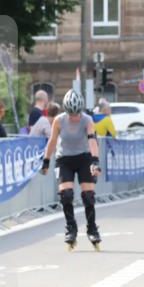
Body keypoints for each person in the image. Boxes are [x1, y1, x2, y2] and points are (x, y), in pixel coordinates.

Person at [40, 89, 101, 249]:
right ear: (66, 111)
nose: (74, 118)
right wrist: (46, 160)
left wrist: (95, 161)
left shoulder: (87, 120)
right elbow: (52, 141)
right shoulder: (59, 121)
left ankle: (92, 228)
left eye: (76, 114)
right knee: (66, 195)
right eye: (71, 114)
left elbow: (92, 141)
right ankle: (71, 229)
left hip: (84, 158)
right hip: (64, 159)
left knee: (88, 195)